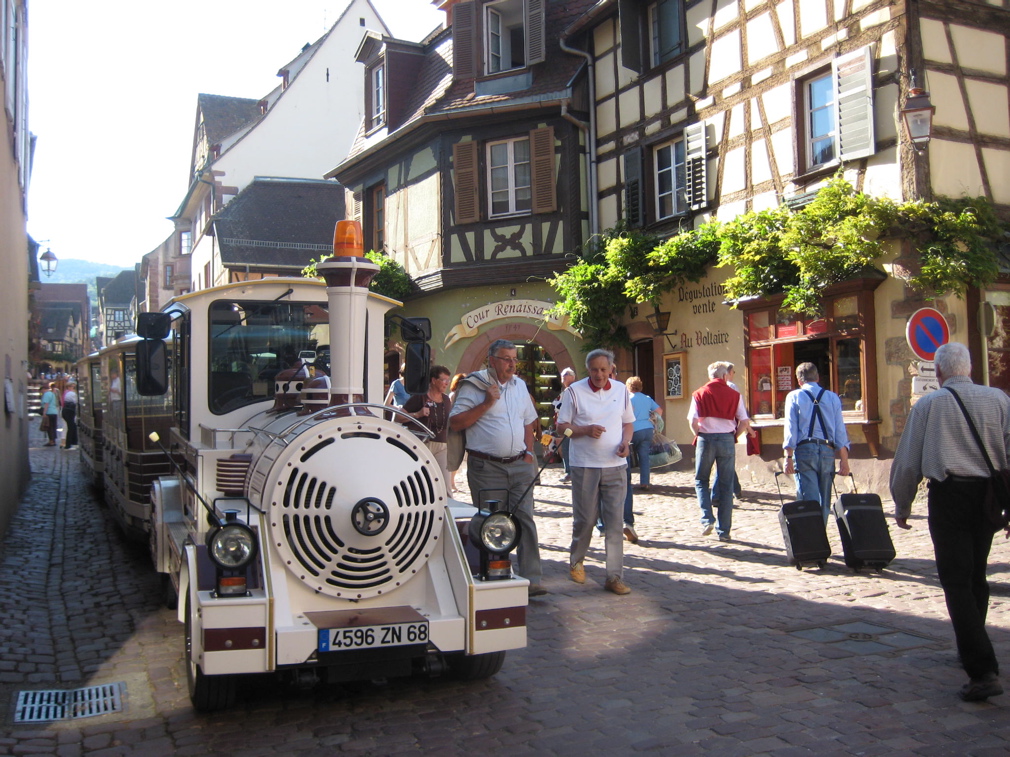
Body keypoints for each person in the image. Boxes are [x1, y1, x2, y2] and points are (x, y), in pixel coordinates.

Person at [890, 342, 1009, 702]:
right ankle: (972, 643)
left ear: (939, 372)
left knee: (956, 580)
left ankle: (982, 669)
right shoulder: (999, 400)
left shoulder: (929, 404)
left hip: (949, 496)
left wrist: (902, 503)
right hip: (988, 498)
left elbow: (908, 461)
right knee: (975, 574)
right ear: (968, 368)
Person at [449, 340, 545, 598]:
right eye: (506, 359)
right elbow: (456, 423)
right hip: (487, 467)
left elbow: (528, 421)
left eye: (514, 359)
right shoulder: (474, 385)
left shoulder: (520, 385)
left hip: (519, 465)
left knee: (525, 519)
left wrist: (529, 452)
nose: (512, 364)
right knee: (492, 523)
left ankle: (532, 578)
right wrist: (486, 403)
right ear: (492, 360)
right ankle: (496, 576)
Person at [557, 349, 635, 595]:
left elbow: (628, 423)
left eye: (603, 369)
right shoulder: (574, 392)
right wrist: (584, 430)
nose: (599, 375)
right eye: (594, 370)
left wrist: (626, 443)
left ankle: (614, 576)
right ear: (588, 370)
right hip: (584, 465)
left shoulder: (621, 390)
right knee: (586, 519)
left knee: (614, 523)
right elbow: (561, 429)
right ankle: (576, 561)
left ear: (611, 369)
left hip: (615, 466)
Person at [688, 362, 755, 542]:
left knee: (701, 480)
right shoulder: (734, 394)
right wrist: (734, 436)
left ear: (710, 376)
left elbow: (692, 420)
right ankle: (724, 531)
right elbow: (744, 421)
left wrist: (698, 434)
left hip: (706, 438)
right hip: (726, 438)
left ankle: (707, 518)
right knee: (726, 485)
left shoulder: (699, 393)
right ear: (725, 376)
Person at [783, 362, 850, 522]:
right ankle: (821, 532)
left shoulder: (794, 396)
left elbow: (791, 429)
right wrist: (844, 460)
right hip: (827, 450)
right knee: (825, 500)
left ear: (799, 380)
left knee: (809, 499)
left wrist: (788, 457)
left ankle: (811, 534)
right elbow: (840, 431)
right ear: (818, 378)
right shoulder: (832, 397)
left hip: (805, 450)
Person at [402, 365, 453, 487]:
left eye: (448, 380)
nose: (447, 383)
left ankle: (447, 500)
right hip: (424, 444)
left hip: (443, 445)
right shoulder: (420, 397)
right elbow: (398, 417)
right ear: (434, 380)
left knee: (445, 483)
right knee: (424, 483)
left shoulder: (446, 399)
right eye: (444, 380)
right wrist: (417, 414)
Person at [627, 376, 661, 492]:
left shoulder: (629, 399)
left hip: (634, 429)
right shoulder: (647, 398)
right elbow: (659, 411)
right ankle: (645, 482)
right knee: (644, 457)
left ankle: (627, 481)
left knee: (628, 456)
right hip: (648, 429)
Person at [553, 367, 577, 483]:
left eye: (566, 375)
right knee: (566, 447)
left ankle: (570, 472)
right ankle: (569, 471)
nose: (563, 377)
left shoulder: (572, 390)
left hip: (570, 424)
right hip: (565, 424)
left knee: (567, 448)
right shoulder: (566, 390)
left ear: (572, 377)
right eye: (562, 375)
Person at [447, 373, 467, 493]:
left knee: (458, 454)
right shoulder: (453, 395)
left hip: (462, 427)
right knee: (453, 454)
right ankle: (451, 482)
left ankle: (452, 482)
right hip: (454, 428)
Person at [40, 382, 60, 446]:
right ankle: (53, 440)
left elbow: (46, 404)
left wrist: (44, 412)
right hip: (54, 412)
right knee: (53, 427)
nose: (42, 392)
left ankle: (51, 441)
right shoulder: (52, 394)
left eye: (41, 391)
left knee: (49, 427)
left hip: (49, 412)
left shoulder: (46, 394)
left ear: (43, 389)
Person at [61, 381, 79, 450]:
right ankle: (68, 445)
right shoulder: (72, 394)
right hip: (69, 411)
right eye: (73, 387)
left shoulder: (68, 393)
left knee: (73, 426)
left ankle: (74, 443)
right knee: (71, 427)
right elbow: (76, 401)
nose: (74, 388)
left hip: (66, 411)